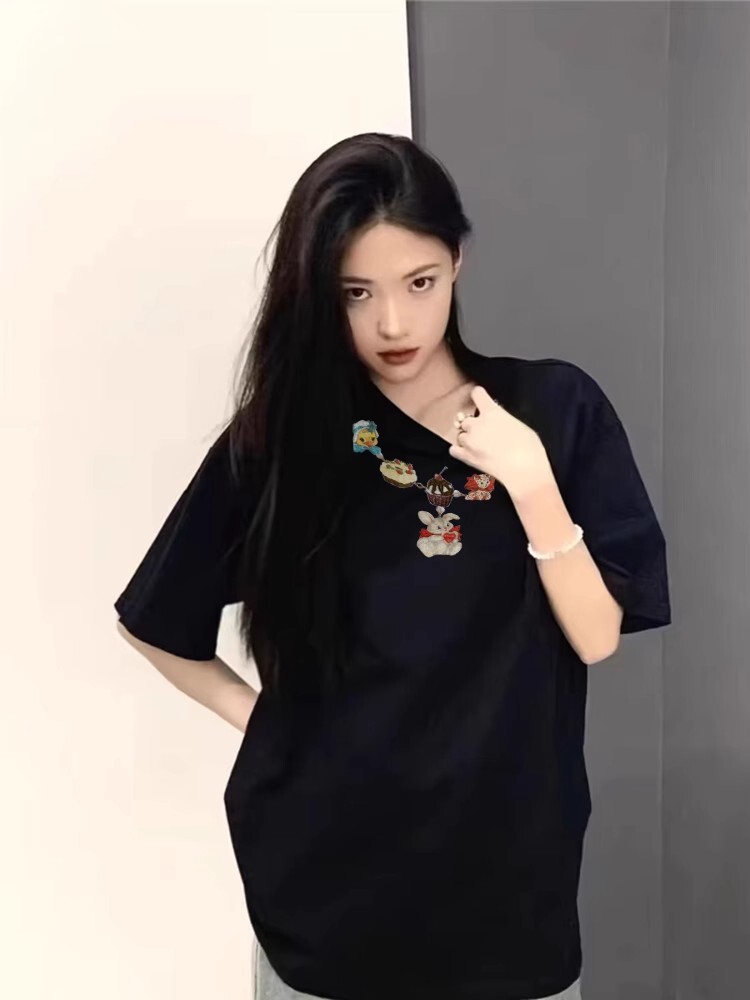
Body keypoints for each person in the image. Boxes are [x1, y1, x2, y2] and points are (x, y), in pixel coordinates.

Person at [114, 132, 671, 1000]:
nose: (393, 325)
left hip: (507, 890)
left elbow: (597, 637)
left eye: (419, 283)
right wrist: (270, 726)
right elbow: (154, 620)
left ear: (457, 262)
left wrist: (531, 482)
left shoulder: (555, 410)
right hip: (328, 892)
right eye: (356, 293)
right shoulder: (285, 439)